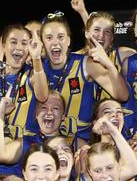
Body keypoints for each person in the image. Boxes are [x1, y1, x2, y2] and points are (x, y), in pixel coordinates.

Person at [40, 13, 128, 147]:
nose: (55, 42)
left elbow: (123, 95)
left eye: (61, 37)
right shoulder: (36, 68)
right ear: (42, 42)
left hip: (82, 146)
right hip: (48, 142)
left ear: (68, 40)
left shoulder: (85, 64)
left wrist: (108, 64)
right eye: (49, 37)